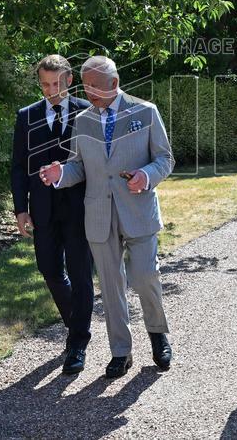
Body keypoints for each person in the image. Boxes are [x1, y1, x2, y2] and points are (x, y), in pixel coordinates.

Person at [40, 56, 175, 378]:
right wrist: (61, 174)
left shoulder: (146, 111)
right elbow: (78, 167)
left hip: (138, 211)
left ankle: (158, 334)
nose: (89, 94)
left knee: (144, 276)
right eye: (85, 88)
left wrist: (146, 174)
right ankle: (121, 351)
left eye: (94, 88)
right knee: (111, 287)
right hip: (99, 214)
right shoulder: (84, 120)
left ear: (114, 84)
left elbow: (165, 159)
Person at [10, 54, 94, 375]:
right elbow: (19, 167)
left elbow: (96, 165)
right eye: (45, 84)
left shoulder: (88, 113)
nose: (50, 90)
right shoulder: (26, 116)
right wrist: (20, 209)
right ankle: (77, 325)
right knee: (49, 269)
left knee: (80, 273)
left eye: (56, 84)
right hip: (42, 209)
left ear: (69, 80)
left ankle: (76, 343)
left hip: (78, 209)